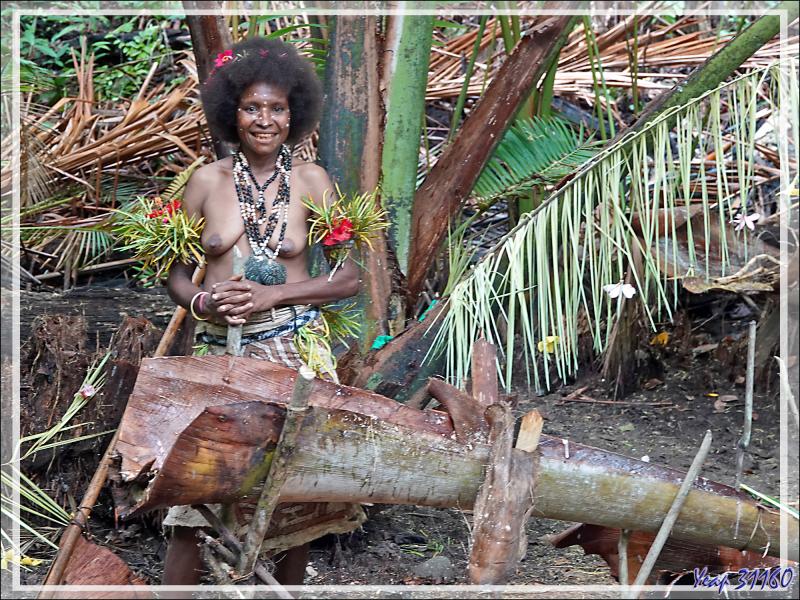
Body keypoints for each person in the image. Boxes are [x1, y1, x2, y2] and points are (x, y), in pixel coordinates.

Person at [161, 37, 364, 586]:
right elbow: (176, 274)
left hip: (293, 350)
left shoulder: (314, 182)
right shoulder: (206, 182)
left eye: (276, 108)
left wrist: (274, 295)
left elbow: (349, 277)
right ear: (233, 112)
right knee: (195, 493)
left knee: (294, 494)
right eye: (253, 107)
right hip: (220, 354)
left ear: (293, 114)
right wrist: (203, 301)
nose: (265, 119)